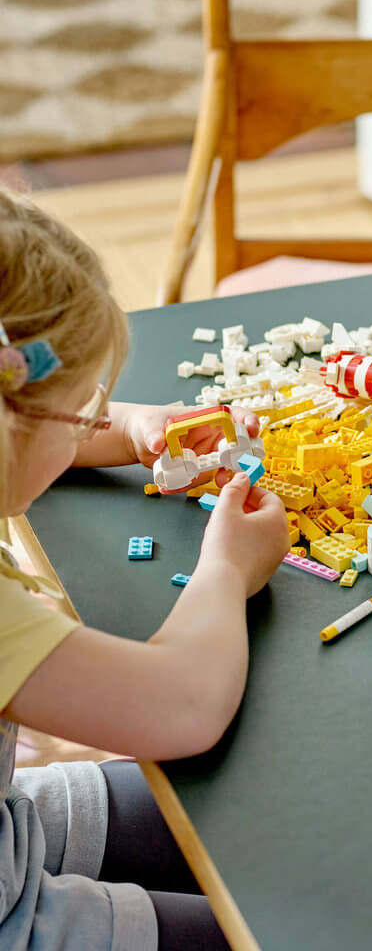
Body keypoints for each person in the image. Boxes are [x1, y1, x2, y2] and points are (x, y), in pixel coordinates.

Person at [0, 189, 290, 950]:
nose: (91, 424)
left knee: (243, 817)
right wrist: (226, 567)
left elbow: (41, 425)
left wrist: (130, 427)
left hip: (10, 826)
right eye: (84, 410)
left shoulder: (16, 432)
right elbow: (182, 708)